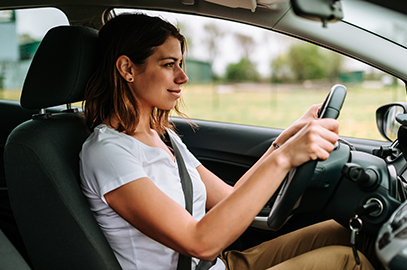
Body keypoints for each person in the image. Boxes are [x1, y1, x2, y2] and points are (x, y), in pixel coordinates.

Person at [80, 13, 378, 270]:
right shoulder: (108, 153)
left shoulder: (162, 135)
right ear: (128, 69)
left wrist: (287, 139)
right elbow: (199, 242)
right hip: (206, 258)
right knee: (347, 261)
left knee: (350, 232)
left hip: (219, 264)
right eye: (169, 64)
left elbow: (228, 198)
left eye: (181, 63)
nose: (183, 77)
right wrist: (285, 158)